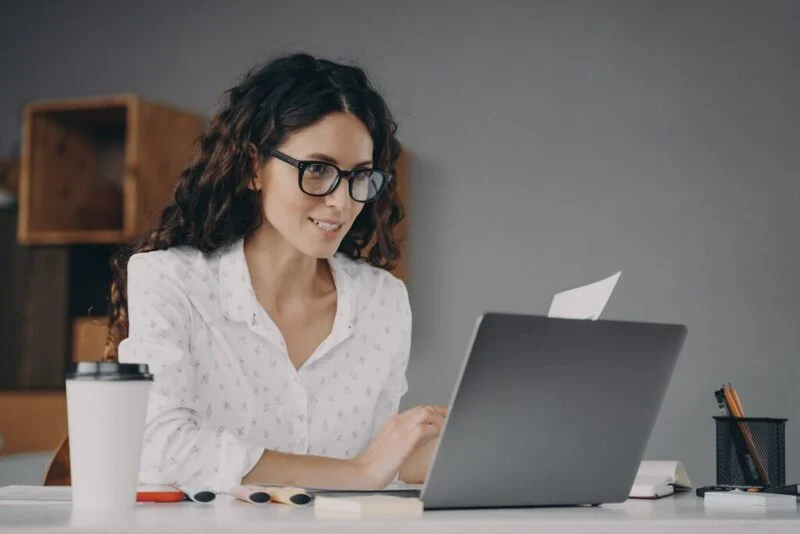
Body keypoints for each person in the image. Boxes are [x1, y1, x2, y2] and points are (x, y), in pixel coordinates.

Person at [107, 53, 447, 494]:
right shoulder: (171, 280)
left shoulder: (383, 300)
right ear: (253, 168)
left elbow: (376, 457)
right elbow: (159, 448)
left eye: (360, 176)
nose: (342, 203)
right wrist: (357, 473)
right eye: (318, 170)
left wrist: (447, 444)